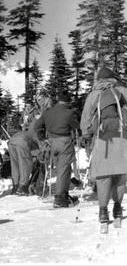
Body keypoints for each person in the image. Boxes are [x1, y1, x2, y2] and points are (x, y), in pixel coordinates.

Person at [80, 66, 126, 230]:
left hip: (102, 139)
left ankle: (103, 211)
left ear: (99, 79)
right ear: (112, 77)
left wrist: (86, 135)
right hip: (121, 138)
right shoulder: (122, 90)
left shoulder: (94, 95)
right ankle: (118, 208)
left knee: (103, 176)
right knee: (120, 174)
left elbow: (85, 119)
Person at [34, 91, 80, 208]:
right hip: (64, 141)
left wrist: (42, 138)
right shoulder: (69, 113)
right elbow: (76, 127)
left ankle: (64, 194)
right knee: (63, 169)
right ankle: (60, 197)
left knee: (62, 168)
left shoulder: (48, 112)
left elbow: (37, 126)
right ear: (67, 101)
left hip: (52, 142)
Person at [7, 129, 40, 196]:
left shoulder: (25, 133)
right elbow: (40, 146)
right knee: (26, 164)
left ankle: (15, 186)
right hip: (21, 142)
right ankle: (22, 187)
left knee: (15, 165)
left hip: (11, 142)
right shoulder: (35, 134)